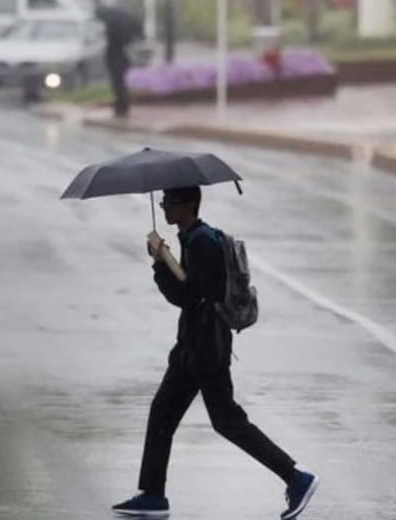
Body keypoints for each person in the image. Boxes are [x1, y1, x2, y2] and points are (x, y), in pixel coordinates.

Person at [112, 186, 319, 519]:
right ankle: (152, 494)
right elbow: (193, 291)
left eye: (170, 202)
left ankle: (295, 478)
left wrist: (159, 265)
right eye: (163, 201)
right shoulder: (194, 238)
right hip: (193, 347)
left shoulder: (202, 242)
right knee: (163, 412)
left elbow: (190, 296)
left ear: (189, 205)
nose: (164, 207)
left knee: (227, 421)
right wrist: (166, 260)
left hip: (206, 349)